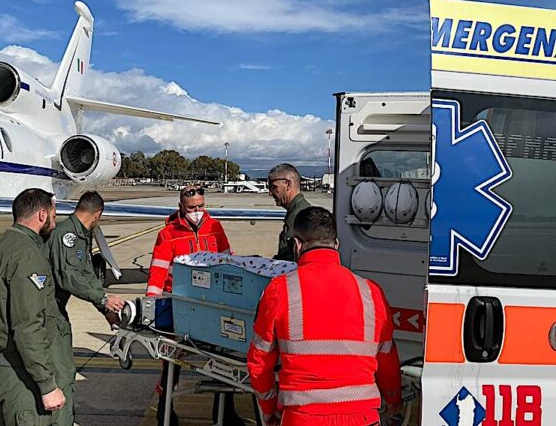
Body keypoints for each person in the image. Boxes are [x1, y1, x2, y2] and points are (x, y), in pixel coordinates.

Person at [247, 207, 402, 426]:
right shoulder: (370, 291)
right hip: (362, 416)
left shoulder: (280, 290)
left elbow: (259, 362)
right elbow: (387, 360)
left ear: (297, 245)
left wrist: (268, 409)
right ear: (336, 244)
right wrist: (394, 400)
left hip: (302, 417)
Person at [146, 184, 242, 426]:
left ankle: (224, 412)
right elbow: (157, 273)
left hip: (211, 305)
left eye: (200, 206)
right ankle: (165, 411)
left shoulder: (215, 228)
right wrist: (150, 308)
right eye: (192, 208)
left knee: (223, 361)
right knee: (171, 363)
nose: (197, 211)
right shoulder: (168, 234)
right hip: (179, 304)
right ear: (181, 207)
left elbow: (228, 262)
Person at [0, 188, 66, 426]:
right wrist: (47, 385)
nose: (54, 223)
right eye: (53, 216)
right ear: (41, 215)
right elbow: (28, 326)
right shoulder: (28, 256)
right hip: (20, 372)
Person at [47, 190, 125, 426]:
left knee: (60, 372)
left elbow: (86, 275)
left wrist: (106, 310)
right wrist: (103, 300)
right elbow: (68, 277)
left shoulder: (80, 234)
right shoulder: (67, 235)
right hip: (46, 313)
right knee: (62, 374)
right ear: (98, 215)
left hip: (55, 312)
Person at [267, 163, 310, 261]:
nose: (270, 193)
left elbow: (291, 259)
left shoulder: (299, 215)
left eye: (274, 187)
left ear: (288, 185)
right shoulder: (297, 211)